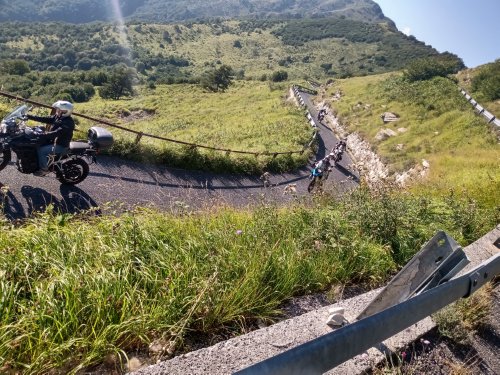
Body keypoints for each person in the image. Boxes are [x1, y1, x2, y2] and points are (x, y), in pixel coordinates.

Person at [25, 100, 75, 176]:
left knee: (41, 150)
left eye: (59, 110)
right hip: (53, 141)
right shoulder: (58, 117)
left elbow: (55, 133)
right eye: (57, 109)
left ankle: (44, 169)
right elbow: (45, 119)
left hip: (60, 145)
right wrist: (28, 116)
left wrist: (40, 135)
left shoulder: (68, 123)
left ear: (65, 112)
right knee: (35, 143)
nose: (57, 111)